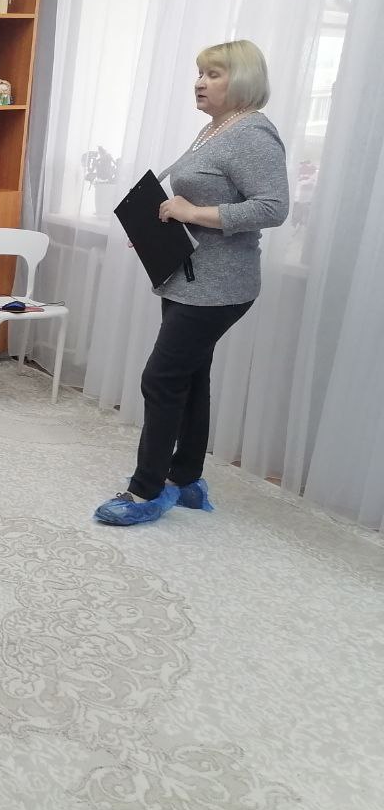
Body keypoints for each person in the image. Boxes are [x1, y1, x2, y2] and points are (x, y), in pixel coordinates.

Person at [95, 39, 289, 526]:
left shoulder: (253, 134)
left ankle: (146, 491)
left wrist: (192, 213)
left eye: (213, 74)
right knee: (190, 377)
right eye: (200, 73)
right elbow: (196, 199)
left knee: (160, 378)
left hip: (220, 286)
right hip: (188, 277)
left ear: (242, 80)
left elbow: (273, 207)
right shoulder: (215, 128)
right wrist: (159, 227)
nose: (200, 82)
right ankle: (185, 479)